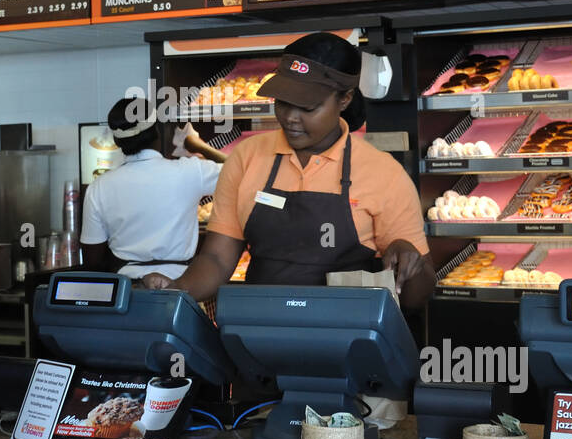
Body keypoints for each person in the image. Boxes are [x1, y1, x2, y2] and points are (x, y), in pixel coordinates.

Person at [143, 32, 432, 306]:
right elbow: (217, 259)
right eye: (283, 102)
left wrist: (409, 263)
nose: (291, 118)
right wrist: (177, 289)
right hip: (261, 331)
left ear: (344, 99)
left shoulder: (383, 173)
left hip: (345, 339)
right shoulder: (247, 157)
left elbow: (418, 297)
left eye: (308, 107)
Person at [81, 98, 222, 280]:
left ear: (117, 140)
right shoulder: (191, 172)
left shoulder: (98, 187)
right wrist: (199, 146)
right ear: (157, 131)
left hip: (128, 290)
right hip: (181, 285)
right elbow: (239, 169)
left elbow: (92, 259)